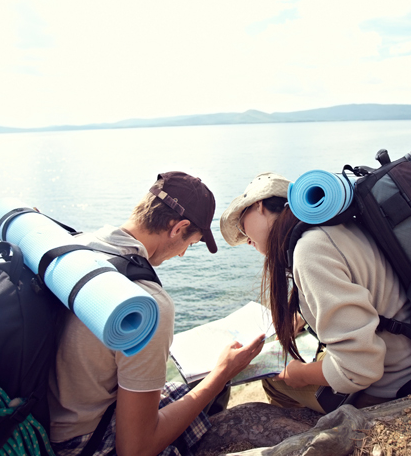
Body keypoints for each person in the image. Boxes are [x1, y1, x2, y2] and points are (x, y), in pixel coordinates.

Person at [48, 171, 265, 456]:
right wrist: (223, 373)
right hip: (81, 443)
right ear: (178, 228)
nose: (183, 254)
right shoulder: (146, 304)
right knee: (212, 385)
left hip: (41, 422)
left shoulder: (75, 246)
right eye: (191, 243)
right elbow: (135, 450)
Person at [219, 173, 411, 414]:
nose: (246, 240)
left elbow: (358, 370)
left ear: (259, 205)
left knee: (274, 381)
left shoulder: (309, 251)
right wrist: (303, 317)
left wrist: (300, 374)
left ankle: (305, 429)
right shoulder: (331, 227)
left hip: (395, 384)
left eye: (242, 226)